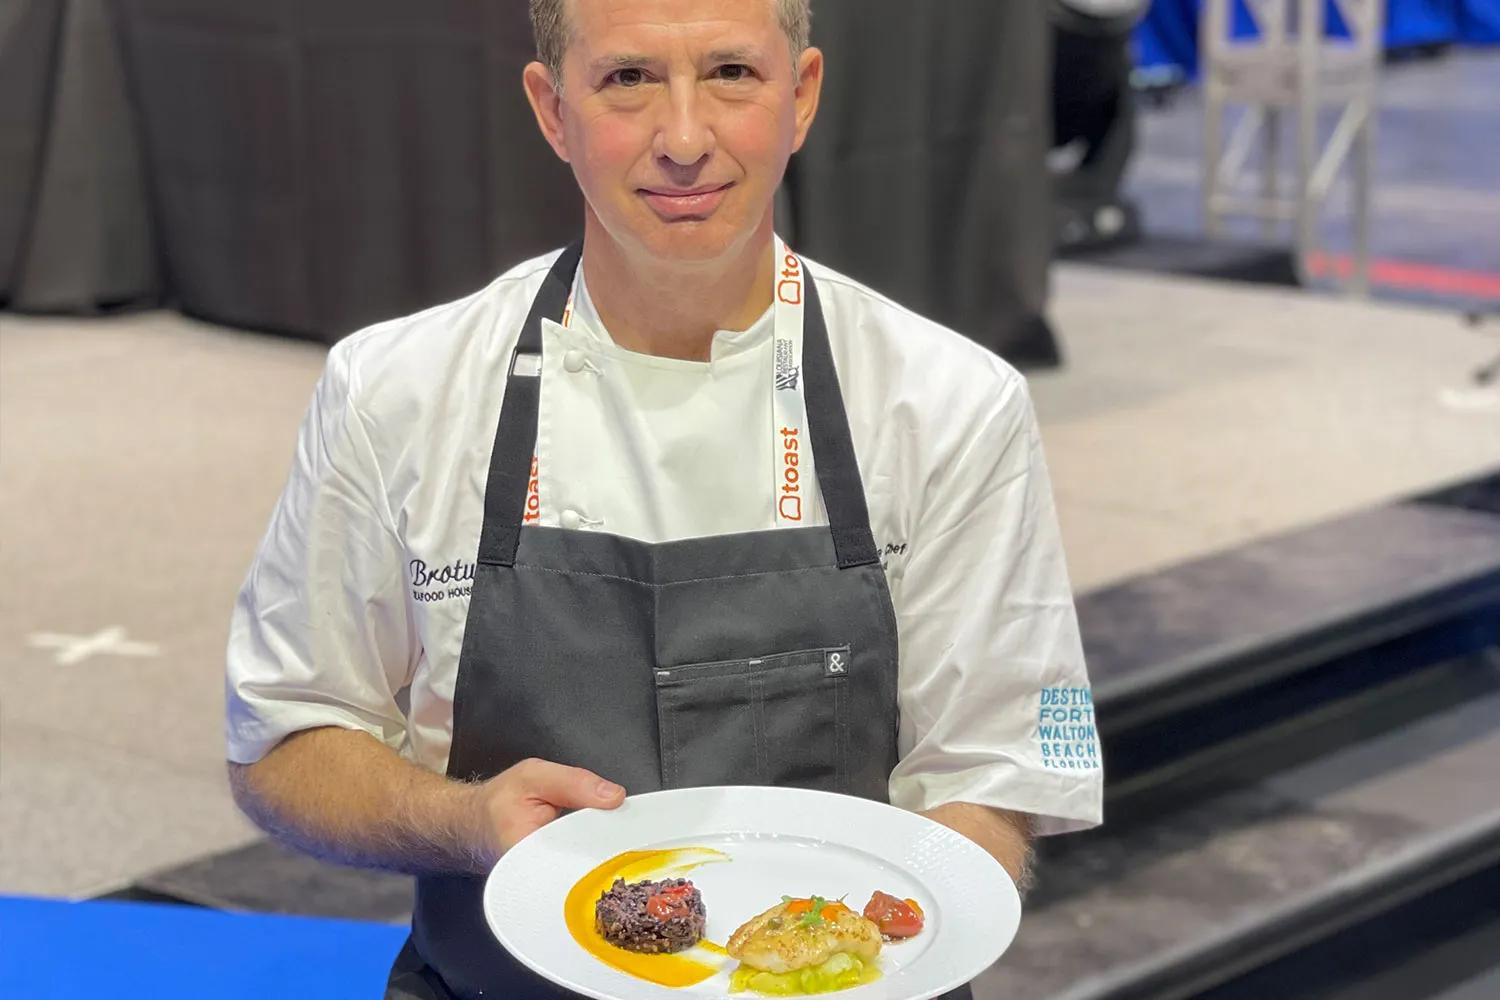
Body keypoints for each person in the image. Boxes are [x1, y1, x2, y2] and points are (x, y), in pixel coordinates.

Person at [224, 1, 1103, 996]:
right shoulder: (398, 389)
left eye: (731, 73)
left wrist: (840, 958)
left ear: (802, 95)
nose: (684, 140)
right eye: (629, 80)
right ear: (552, 110)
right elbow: (286, 734)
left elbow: (993, 775)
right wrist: (464, 822)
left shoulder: (947, 402)